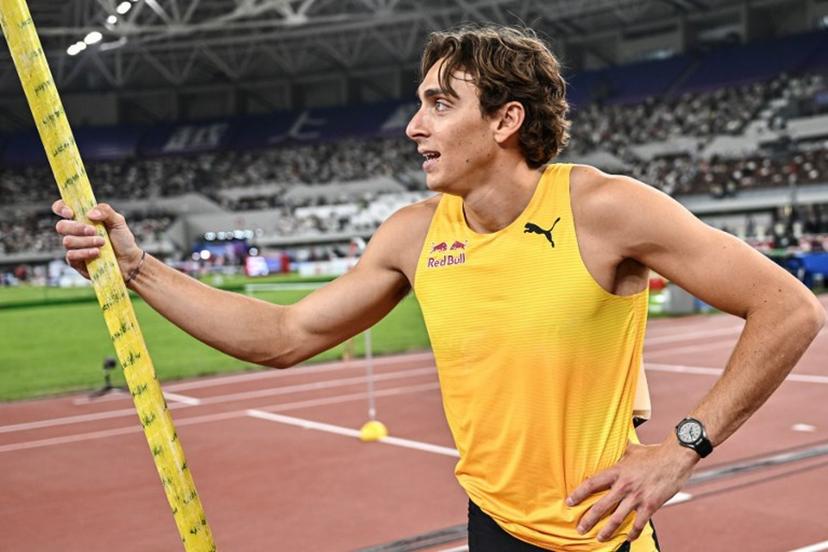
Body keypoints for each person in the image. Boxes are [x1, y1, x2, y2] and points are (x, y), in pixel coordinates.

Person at [53, 25, 824, 552]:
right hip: (490, 523)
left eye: (439, 103)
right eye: (420, 103)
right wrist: (139, 268)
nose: (413, 125)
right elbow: (283, 338)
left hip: (598, 537)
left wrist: (681, 450)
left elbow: (788, 307)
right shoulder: (413, 232)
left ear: (504, 121)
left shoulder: (604, 208)